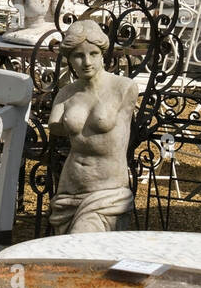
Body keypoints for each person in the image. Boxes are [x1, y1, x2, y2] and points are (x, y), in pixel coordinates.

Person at [47, 18, 137, 234]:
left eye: (93, 54)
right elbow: (55, 126)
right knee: (69, 253)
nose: (87, 61)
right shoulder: (66, 93)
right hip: (69, 188)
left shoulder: (123, 88)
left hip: (107, 190)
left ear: (102, 54)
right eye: (78, 55)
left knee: (81, 246)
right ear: (69, 59)